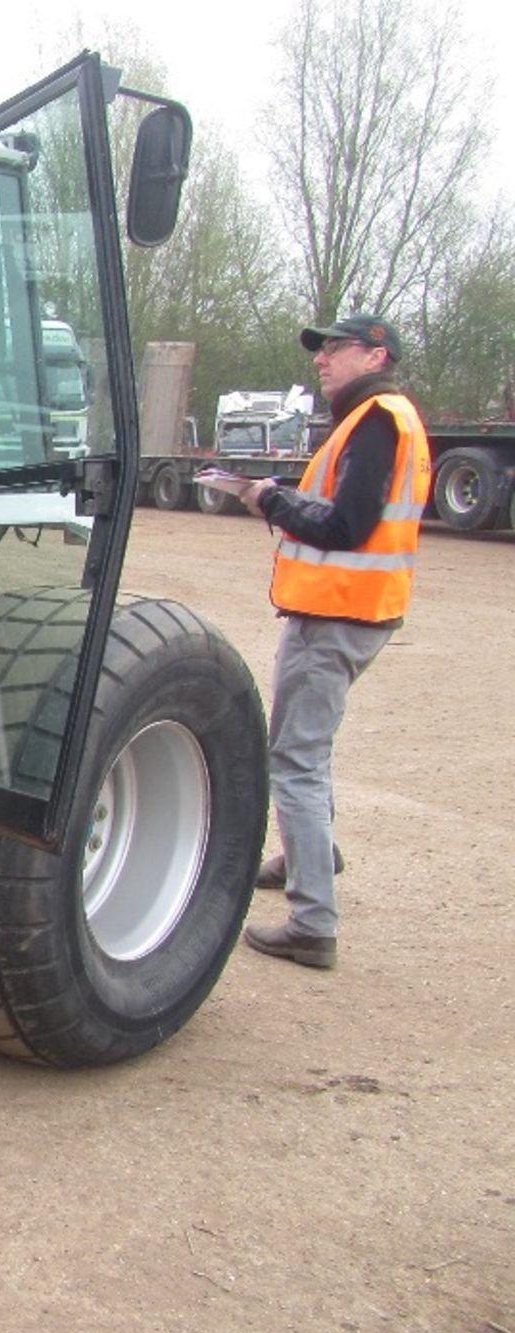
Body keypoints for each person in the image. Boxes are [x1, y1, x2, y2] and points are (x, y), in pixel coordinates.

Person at [234, 314, 431, 969]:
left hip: (337, 615)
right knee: (306, 750)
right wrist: (284, 497)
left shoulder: (376, 418)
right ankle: (308, 850)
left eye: (334, 348)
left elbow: (347, 526)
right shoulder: (381, 417)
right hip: (355, 610)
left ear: (376, 354)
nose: (321, 359)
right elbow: (351, 512)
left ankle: (313, 920)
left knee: (295, 759)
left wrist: (271, 503)